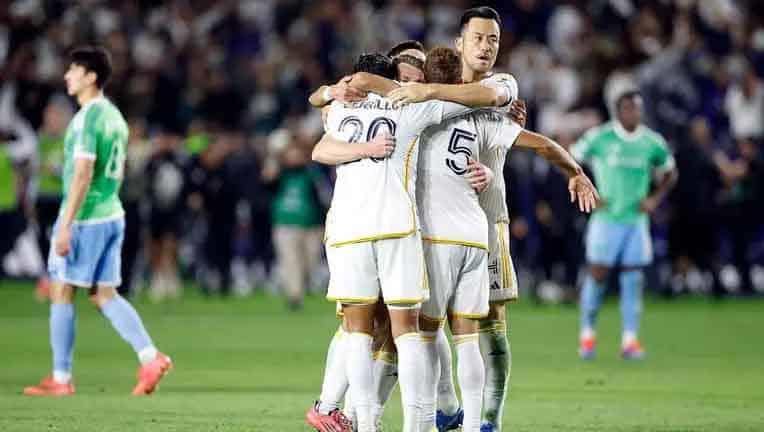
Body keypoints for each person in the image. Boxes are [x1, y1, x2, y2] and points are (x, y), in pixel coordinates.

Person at [312, 51, 513, 432]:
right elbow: (478, 100)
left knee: (357, 332)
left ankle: (361, 421)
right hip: (402, 229)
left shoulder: (340, 109)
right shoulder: (413, 108)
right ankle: (419, 423)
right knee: (411, 332)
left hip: (348, 230)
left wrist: (333, 94)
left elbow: (319, 148)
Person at [23, 46, 172, 397]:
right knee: (103, 293)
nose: (66, 76)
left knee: (61, 289)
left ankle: (61, 378)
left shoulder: (88, 118)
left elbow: (83, 172)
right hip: (111, 213)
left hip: (86, 218)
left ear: (90, 76)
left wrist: (66, 223)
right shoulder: (115, 117)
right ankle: (150, 357)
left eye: (73, 70)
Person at [571, 74, 678, 360]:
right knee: (598, 275)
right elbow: (569, 159)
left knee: (632, 279)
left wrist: (655, 198)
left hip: (635, 222)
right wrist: (588, 190)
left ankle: (629, 341)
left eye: (638, 108)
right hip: (606, 220)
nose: (635, 113)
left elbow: (670, 171)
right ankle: (587, 336)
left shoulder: (651, 142)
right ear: (618, 111)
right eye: (629, 108)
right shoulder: (601, 137)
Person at [263, 135, 330, 310]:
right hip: (285, 223)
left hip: (311, 225)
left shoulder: (313, 173)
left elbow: (324, 197)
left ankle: (303, 285)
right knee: (290, 260)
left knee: (310, 261)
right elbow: (266, 184)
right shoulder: (280, 172)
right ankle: (294, 296)